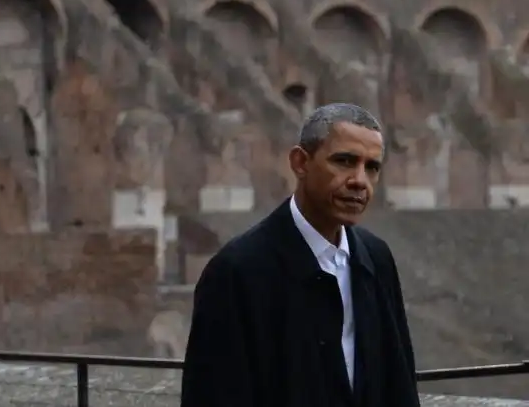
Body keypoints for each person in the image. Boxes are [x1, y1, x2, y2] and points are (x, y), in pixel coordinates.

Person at [180, 103, 420, 407]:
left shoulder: (376, 257)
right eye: (344, 161)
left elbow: (398, 382)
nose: (360, 180)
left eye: (371, 167)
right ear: (300, 162)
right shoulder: (236, 271)